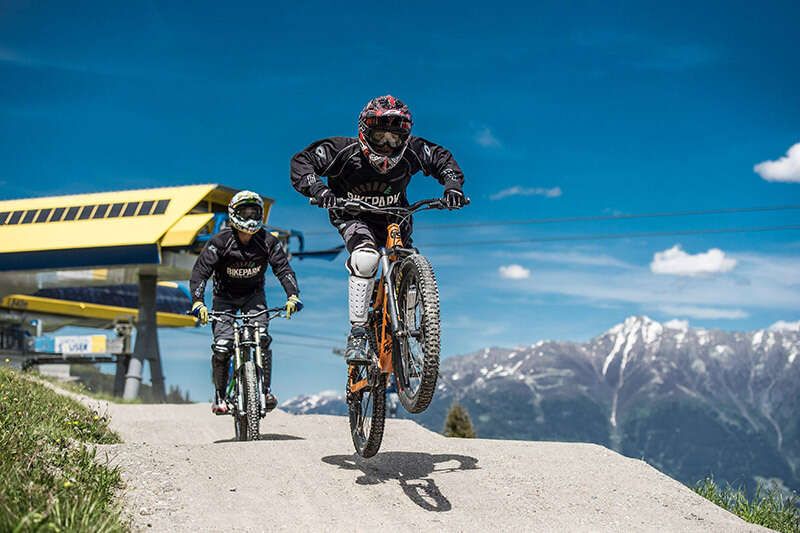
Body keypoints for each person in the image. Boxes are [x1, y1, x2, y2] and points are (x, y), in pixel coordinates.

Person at [290, 95, 466, 363]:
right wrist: (318, 189)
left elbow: (442, 159)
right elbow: (302, 162)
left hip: (395, 217)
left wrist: (452, 186)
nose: (386, 146)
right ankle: (358, 335)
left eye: (394, 139)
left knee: (408, 261)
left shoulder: (413, 152)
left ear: (405, 138)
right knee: (365, 258)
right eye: (380, 138)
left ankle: (406, 328)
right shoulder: (340, 150)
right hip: (353, 216)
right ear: (364, 132)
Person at [190, 190, 302, 414]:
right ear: (233, 214)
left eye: (255, 213)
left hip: (254, 296)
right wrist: (198, 302)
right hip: (224, 299)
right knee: (222, 347)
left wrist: (293, 295)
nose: (250, 219)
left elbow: (283, 269)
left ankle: (265, 390)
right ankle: (220, 396)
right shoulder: (219, 242)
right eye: (245, 212)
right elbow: (201, 273)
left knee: (262, 338)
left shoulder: (268, 241)